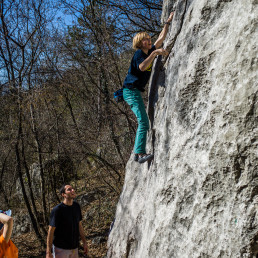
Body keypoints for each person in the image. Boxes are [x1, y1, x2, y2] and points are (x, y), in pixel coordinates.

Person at [123, 12, 174, 164]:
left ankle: (138, 153)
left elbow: (161, 38)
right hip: (130, 91)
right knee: (144, 122)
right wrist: (156, 53)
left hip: (135, 91)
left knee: (144, 121)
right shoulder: (139, 53)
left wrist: (167, 22)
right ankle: (139, 155)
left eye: (148, 38)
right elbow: (142, 67)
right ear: (140, 43)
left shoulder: (149, 50)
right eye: (145, 39)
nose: (148, 40)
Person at [46, 184, 88, 258]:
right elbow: (50, 231)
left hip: (74, 248)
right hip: (60, 249)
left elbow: (79, 225)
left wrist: (84, 242)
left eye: (72, 188)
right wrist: (48, 252)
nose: (73, 190)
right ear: (63, 194)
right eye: (69, 189)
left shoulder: (76, 206)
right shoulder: (57, 210)